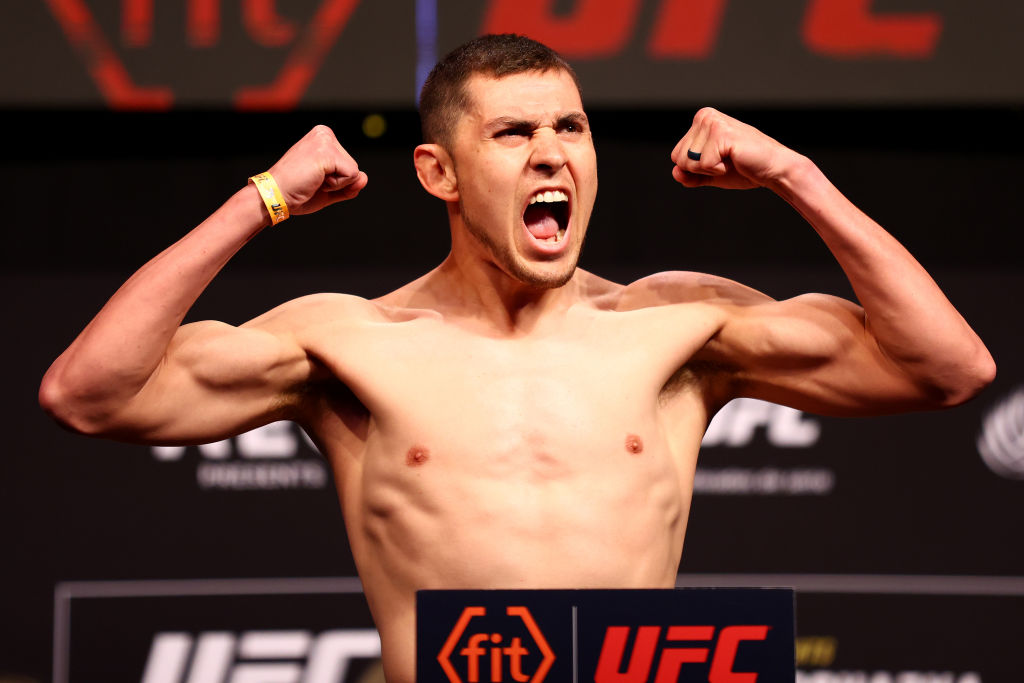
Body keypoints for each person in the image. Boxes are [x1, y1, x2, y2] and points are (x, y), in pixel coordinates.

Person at [39, 34, 994, 683]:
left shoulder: (678, 328)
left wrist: (796, 174)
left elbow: (950, 368)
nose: (552, 155)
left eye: (569, 128)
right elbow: (88, 393)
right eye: (513, 133)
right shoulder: (347, 344)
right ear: (438, 173)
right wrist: (265, 198)